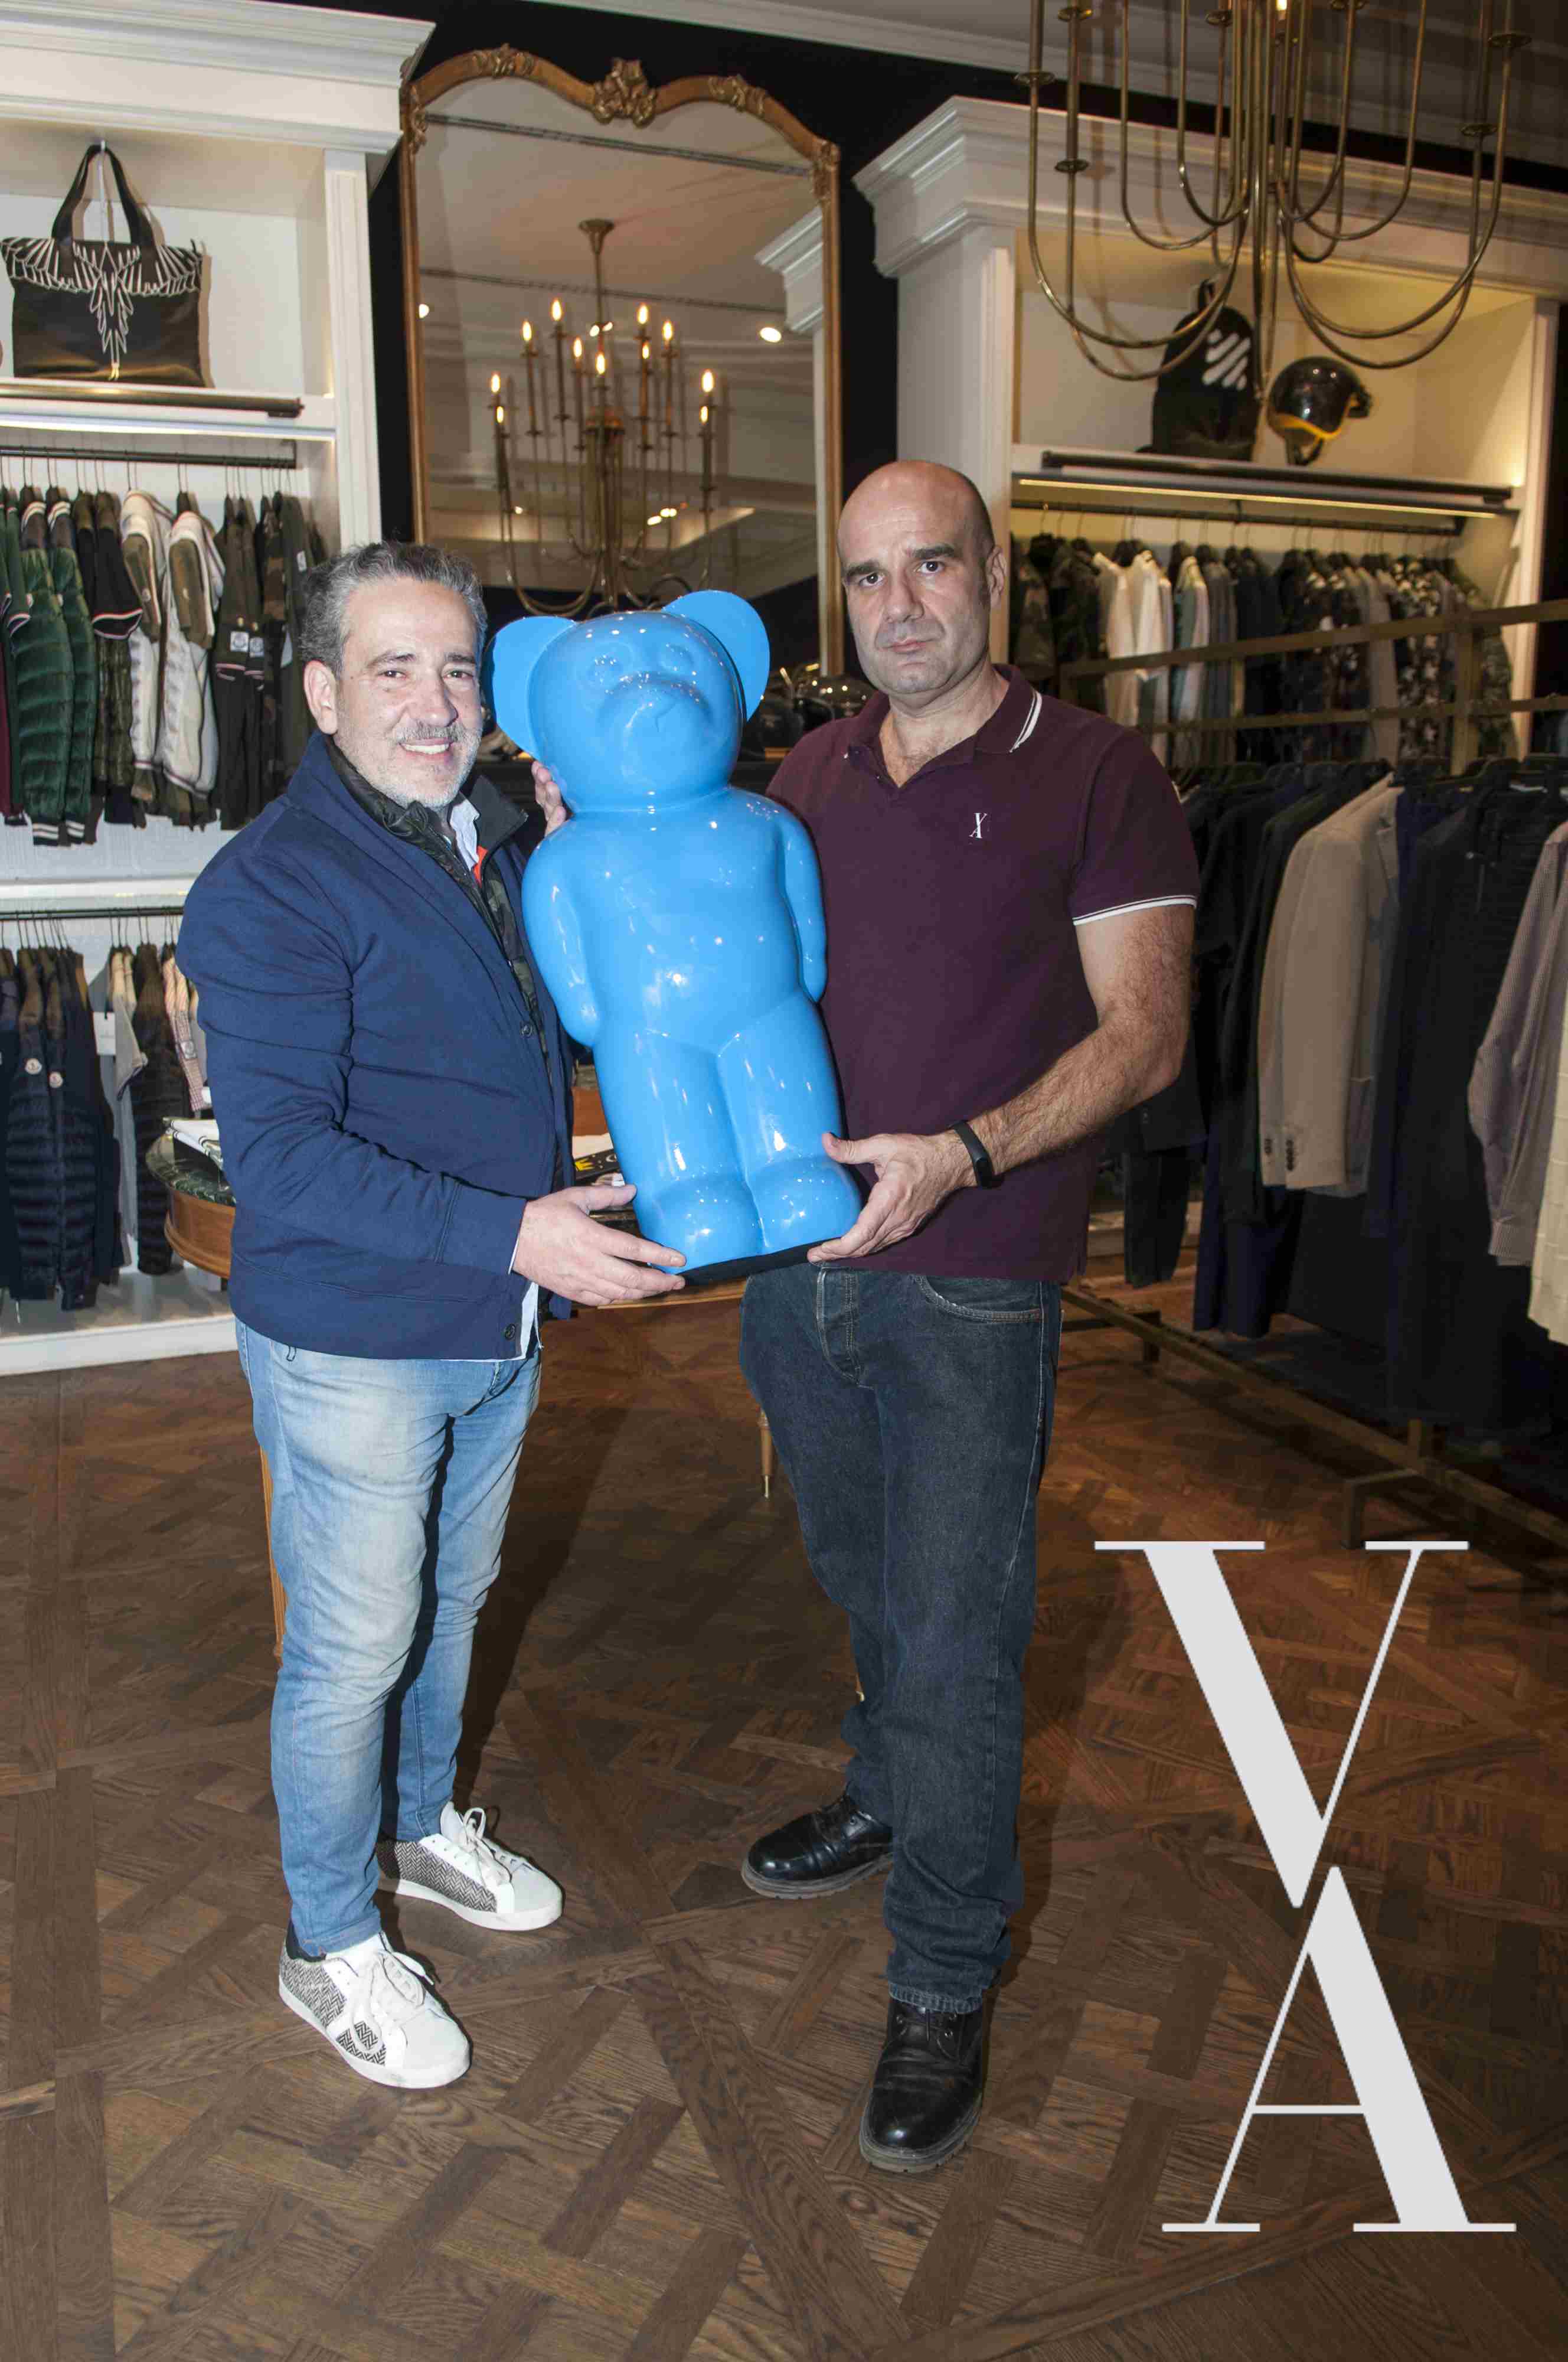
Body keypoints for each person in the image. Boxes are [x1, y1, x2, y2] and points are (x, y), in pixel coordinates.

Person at [736, 461, 1198, 2171]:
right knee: (864, 1576)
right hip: (802, 1271)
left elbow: (1144, 1034)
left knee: (956, 1631)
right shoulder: (810, 774)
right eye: (868, 578)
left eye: (932, 566)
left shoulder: (1099, 771)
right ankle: (891, 1785)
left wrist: (967, 1155)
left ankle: (942, 1969)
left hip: (976, 1274)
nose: (901, 606)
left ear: (994, 575)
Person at [181, 541, 687, 2091]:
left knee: (452, 1607)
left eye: (458, 668)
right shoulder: (269, 885)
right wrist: (519, 1229)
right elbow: (279, 1158)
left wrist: (599, 849)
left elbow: (544, 1031)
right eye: (392, 669)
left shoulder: (502, 841)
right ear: (323, 694)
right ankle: (328, 1942)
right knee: (352, 1649)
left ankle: (414, 1826)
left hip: (495, 1321)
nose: (435, 702)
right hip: (355, 1340)